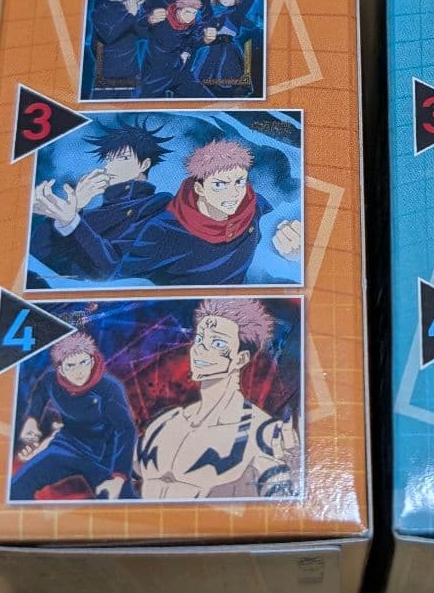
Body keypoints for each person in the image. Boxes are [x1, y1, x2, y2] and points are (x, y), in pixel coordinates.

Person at [136, 298, 298, 499]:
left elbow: (281, 505)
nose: (200, 349)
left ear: (240, 358)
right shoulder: (163, 424)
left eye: (218, 343)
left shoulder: (264, 434)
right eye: (200, 339)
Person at [115, 139, 302, 287]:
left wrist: (292, 252)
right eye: (220, 185)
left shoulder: (254, 205)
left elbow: (275, 246)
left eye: (239, 182)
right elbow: (126, 284)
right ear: (200, 189)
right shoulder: (162, 230)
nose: (233, 194)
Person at [29, 119, 174, 283]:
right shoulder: (89, 215)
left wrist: (72, 220)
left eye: (123, 158)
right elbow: (37, 255)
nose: (109, 166)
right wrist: (73, 209)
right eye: (109, 159)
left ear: (144, 164)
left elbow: (114, 269)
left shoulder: (159, 204)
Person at [11, 332, 137, 501]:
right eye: (71, 366)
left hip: (104, 456)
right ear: (61, 369)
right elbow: (41, 391)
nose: (79, 371)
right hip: (68, 445)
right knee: (16, 487)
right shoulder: (51, 379)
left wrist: (119, 477)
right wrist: (32, 419)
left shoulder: (109, 388)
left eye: (83, 363)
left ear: (92, 361)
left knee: (121, 501)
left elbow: (126, 430)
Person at [137, 0, 217, 99]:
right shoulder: (162, 18)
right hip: (156, 75)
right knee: (146, 103)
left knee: (209, 100)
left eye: (194, 13)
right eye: (187, 12)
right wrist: (149, 19)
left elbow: (194, 42)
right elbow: (139, 29)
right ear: (178, 11)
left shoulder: (194, 23)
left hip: (181, 73)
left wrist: (206, 39)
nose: (191, 16)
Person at [193, 0, 260, 94]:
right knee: (203, 84)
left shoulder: (238, 11)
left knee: (228, 84)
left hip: (228, 50)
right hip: (212, 51)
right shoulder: (218, 15)